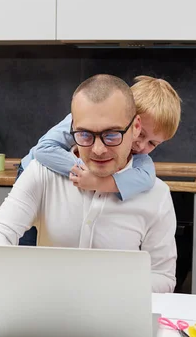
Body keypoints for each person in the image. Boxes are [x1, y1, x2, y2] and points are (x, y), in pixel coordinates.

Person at [0, 74, 177, 293]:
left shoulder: (155, 192)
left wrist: (109, 288)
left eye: (112, 135)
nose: (99, 150)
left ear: (135, 127)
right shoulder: (42, 172)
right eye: (85, 135)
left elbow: (163, 277)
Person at [17, 75, 182, 246]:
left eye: (152, 143)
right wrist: (83, 170)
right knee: (28, 242)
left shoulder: (138, 155)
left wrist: (100, 182)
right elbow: (43, 150)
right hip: (33, 171)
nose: (141, 146)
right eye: (141, 135)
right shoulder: (85, 119)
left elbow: (147, 176)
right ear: (131, 121)